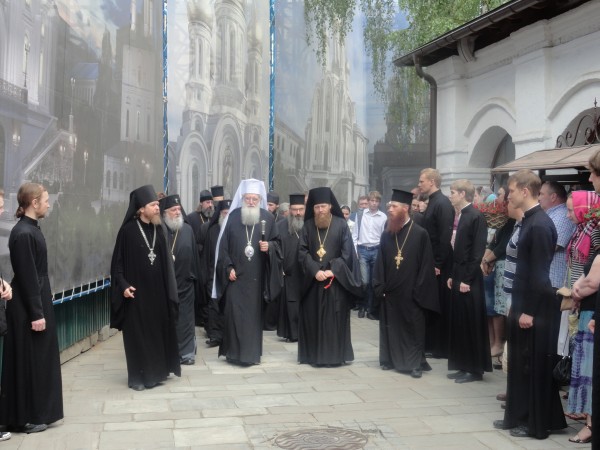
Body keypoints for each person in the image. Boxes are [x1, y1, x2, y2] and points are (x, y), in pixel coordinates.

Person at [493, 169, 566, 439]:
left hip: (535, 307)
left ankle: (535, 423)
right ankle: (519, 414)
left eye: (511, 190)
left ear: (525, 191)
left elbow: (539, 274)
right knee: (522, 365)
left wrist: (529, 312)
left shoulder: (539, 224)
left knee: (531, 366)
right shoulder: (530, 221)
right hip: (522, 302)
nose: (508, 195)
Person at [0, 183, 62, 434]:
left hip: (34, 302)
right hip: (27, 309)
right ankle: (24, 416)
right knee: (27, 362)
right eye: (45, 200)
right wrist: (37, 314)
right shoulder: (24, 233)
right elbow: (27, 277)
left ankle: (37, 412)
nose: (48, 203)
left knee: (37, 361)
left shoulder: (30, 229)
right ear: (33, 203)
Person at [110, 185, 181, 390]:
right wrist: (123, 286)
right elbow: (117, 265)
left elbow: (166, 264)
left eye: (157, 204)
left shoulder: (159, 229)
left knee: (157, 334)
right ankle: (139, 378)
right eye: (153, 205)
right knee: (138, 337)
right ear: (141, 208)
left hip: (158, 294)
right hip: (136, 296)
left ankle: (157, 373)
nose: (157, 208)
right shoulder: (127, 232)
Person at [212, 179, 282, 365]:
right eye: (248, 198)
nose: (251, 202)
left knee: (252, 319)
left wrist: (271, 247)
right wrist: (228, 268)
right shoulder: (233, 217)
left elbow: (278, 245)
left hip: (256, 280)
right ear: (242, 198)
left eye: (255, 199)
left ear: (260, 200)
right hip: (236, 278)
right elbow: (223, 248)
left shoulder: (268, 217)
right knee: (234, 316)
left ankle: (251, 355)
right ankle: (234, 353)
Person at [373, 189, 439, 378]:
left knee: (413, 328)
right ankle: (389, 359)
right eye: (389, 206)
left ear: (405, 208)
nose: (390, 210)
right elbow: (380, 262)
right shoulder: (387, 233)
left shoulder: (420, 234)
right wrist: (380, 287)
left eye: (394, 206)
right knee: (391, 327)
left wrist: (418, 292)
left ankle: (415, 364)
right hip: (391, 292)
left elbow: (426, 266)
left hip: (412, 293)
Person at [298, 186, 362, 366]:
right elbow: (302, 252)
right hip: (313, 282)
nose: (320, 210)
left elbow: (348, 253)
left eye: (323, 206)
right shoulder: (308, 226)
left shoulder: (341, 225)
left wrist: (333, 270)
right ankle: (313, 356)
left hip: (335, 283)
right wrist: (314, 270)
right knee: (314, 319)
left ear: (330, 207)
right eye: (317, 207)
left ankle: (334, 357)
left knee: (334, 321)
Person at [563, 191, 600, 443]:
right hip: (582, 299)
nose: (568, 215)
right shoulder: (582, 231)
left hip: (591, 302)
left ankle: (590, 422)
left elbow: (594, 273)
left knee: (589, 367)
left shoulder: (594, 231)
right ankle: (587, 416)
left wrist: (579, 288)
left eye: (570, 209)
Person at [446, 180, 491, 383]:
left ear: (463, 194)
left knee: (470, 323)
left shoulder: (475, 216)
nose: (451, 196)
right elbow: (459, 251)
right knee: (460, 322)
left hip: (469, 278)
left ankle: (474, 369)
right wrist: (453, 275)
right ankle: (462, 364)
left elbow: (476, 252)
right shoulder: (462, 215)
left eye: (453, 192)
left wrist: (466, 279)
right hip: (459, 273)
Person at [160, 194, 202, 365]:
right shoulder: (160, 230)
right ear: (165, 213)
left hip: (186, 284)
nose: (177, 212)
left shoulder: (188, 230)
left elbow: (195, 258)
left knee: (186, 320)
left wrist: (194, 277)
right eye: (173, 210)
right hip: (166, 286)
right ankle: (169, 352)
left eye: (179, 209)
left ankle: (187, 353)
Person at [418, 168, 455, 359]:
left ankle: (441, 347)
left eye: (422, 181)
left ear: (432, 181)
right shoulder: (432, 202)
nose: (419, 184)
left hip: (440, 262)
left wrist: (438, 263)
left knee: (439, 303)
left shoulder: (442, 203)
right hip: (431, 260)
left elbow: (444, 235)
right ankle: (431, 343)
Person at [538, 181, 576, 356]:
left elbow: (551, 245)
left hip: (556, 282)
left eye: (541, 194)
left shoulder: (561, 216)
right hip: (548, 281)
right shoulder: (550, 214)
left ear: (553, 197)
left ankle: (553, 368)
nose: (538, 197)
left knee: (552, 328)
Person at [481, 188, 514, 365]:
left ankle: (499, 343)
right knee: (491, 306)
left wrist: (487, 259)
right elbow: (494, 241)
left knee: (499, 308)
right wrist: (485, 260)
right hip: (493, 263)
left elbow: (503, 246)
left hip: (502, 264)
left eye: (503, 194)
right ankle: (493, 341)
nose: (501, 198)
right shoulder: (505, 218)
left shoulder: (513, 220)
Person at [352, 191, 387, 319]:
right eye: (372, 200)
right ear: (369, 201)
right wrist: (355, 251)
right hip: (363, 250)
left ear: (379, 203)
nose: (373, 203)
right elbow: (355, 234)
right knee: (364, 281)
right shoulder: (361, 215)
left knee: (373, 282)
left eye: (376, 201)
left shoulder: (383, 217)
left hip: (376, 249)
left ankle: (370, 309)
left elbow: (384, 237)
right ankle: (362, 305)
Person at [202, 199, 232, 348]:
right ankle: (215, 335)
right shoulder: (213, 230)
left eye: (229, 213)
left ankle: (227, 335)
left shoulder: (234, 229)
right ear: (220, 214)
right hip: (213, 275)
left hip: (229, 275)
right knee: (214, 305)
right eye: (224, 213)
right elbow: (207, 255)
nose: (227, 216)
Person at [276, 194, 305, 343]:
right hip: (289, 272)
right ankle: (292, 334)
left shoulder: (310, 224)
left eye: (301, 209)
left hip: (307, 273)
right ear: (290, 210)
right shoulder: (281, 226)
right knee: (291, 304)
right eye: (295, 210)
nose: (298, 213)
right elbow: (276, 247)